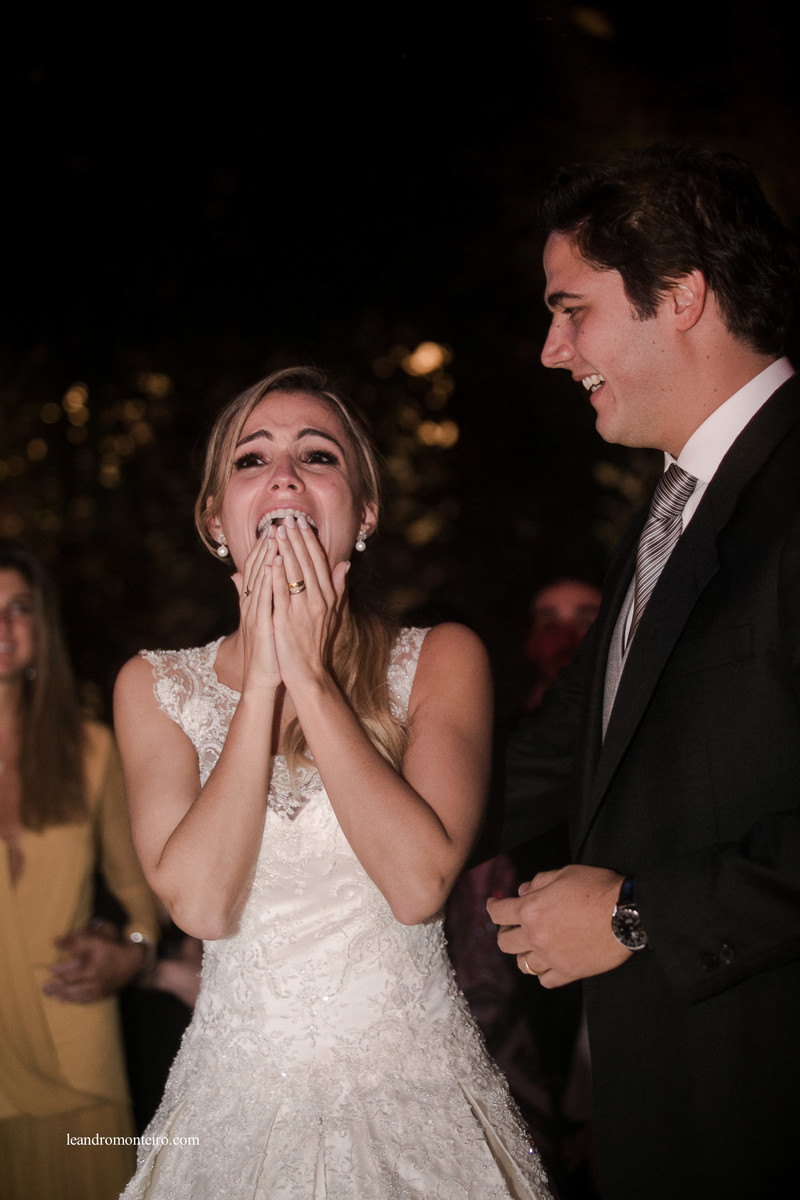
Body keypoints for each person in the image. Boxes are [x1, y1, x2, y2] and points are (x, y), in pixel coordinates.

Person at [114, 366, 551, 1198]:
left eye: (317, 455)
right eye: (251, 459)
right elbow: (201, 907)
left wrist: (310, 678)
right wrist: (263, 681)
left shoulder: (441, 658)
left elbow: (418, 886)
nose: (283, 476)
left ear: (365, 513)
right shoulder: (155, 686)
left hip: (417, 1104)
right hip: (232, 1114)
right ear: (215, 519)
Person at [488, 145, 800, 1199]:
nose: (550, 351)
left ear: (680, 296)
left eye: (571, 310)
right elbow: (554, 755)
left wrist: (635, 914)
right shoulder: (667, 511)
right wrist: (327, 811)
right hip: (670, 1103)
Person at [0, 541, 159, 1200]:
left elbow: (141, 887)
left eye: (19, 608)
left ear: (42, 627)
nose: (3, 626)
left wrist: (134, 952)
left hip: (73, 1036)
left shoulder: (91, 750)